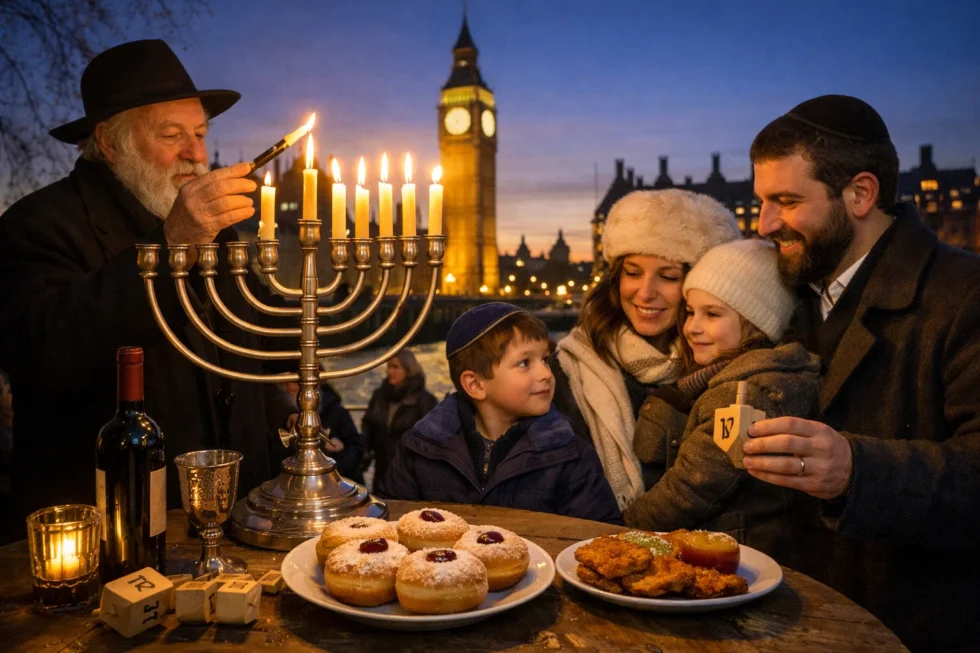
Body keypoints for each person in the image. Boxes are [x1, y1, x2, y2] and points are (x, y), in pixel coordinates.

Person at [0, 40, 284, 534]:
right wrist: (174, 243)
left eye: (200, 133)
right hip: (113, 529)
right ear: (110, 143)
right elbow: (43, 353)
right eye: (172, 135)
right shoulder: (37, 224)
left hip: (241, 522)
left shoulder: (219, 234)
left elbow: (256, 340)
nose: (196, 154)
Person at [741, 94, 980, 652]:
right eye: (761, 202)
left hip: (912, 629)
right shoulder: (783, 295)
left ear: (860, 194)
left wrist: (856, 470)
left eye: (786, 201)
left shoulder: (964, 295)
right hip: (791, 621)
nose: (764, 224)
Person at [625, 239, 819, 562]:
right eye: (690, 312)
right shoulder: (738, 379)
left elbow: (689, 491)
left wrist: (616, 531)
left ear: (758, 323)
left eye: (712, 314)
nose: (692, 328)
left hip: (731, 562)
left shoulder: (742, 396)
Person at [553, 189, 741, 510]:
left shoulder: (726, 376)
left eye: (668, 276)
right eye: (633, 273)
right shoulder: (568, 370)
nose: (645, 292)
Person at [377, 303, 622, 524]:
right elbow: (391, 527)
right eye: (525, 363)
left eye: (545, 359)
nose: (546, 373)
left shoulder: (571, 455)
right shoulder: (420, 449)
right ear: (475, 384)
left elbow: (599, 539)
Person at [361, 350, 437, 493]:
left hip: (410, 475)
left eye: (395, 367)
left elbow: (431, 439)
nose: (390, 371)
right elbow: (369, 425)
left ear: (409, 370)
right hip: (382, 470)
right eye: (389, 367)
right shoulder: (379, 396)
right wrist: (364, 451)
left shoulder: (425, 400)